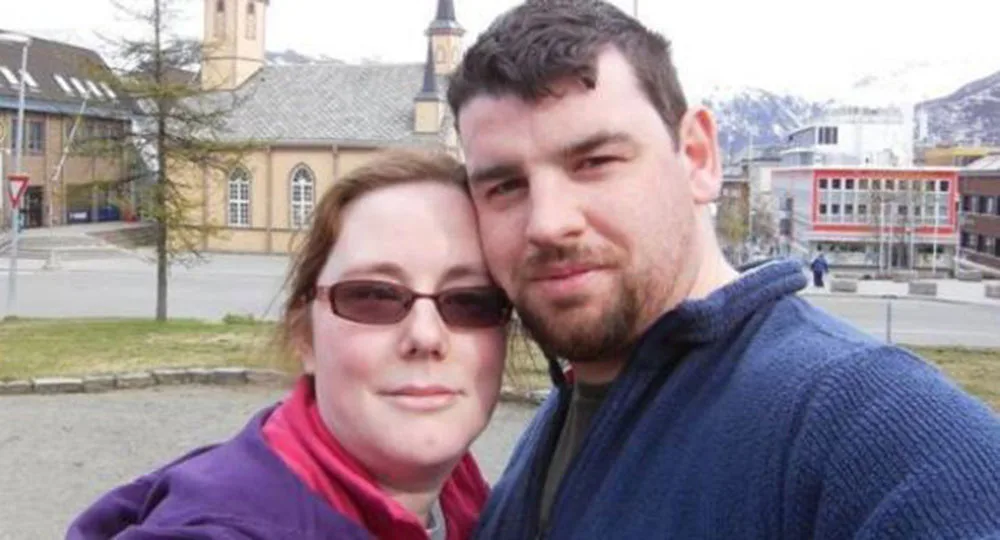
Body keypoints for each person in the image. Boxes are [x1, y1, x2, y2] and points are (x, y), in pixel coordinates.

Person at [446, 1, 1000, 538]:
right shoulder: (552, 429)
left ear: (698, 157)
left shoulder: (875, 427)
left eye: (594, 163)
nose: (547, 223)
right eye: (505, 186)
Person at [67, 149, 512, 539]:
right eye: (373, 296)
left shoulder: (464, 496)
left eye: (470, 301)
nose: (426, 336)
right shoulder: (220, 525)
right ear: (305, 335)